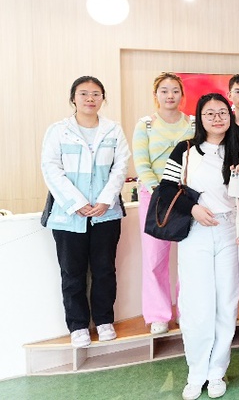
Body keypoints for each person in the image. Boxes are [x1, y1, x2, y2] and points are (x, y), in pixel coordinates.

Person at [161, 93, 239, 400]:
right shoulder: (185, 150)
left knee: (226, 303)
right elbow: (167, 188)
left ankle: (217, 372)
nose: (216, 118)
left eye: (222, 112)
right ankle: (196, 373)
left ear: (230, 116)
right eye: (209, 113)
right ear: (199, 118)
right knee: (197, 305)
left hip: (228, 232)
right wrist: (193, 207)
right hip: (196, 231)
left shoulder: (238, 151)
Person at [41, 76, 130, 348]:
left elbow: (120, 167)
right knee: (72, 273)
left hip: (106, 214)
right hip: (68, 216)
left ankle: (104, 320)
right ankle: (78, 325)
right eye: (83, 93)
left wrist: (105, 200)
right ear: (73, 98)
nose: (90, 98)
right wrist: (76, 202)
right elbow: (51, 168)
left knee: (104, 270)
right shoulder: (58, 131)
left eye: (96, 94)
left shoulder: (113, 130)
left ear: (103, 98)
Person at [133, 72, 195, 335]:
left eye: (175, 91)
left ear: (182, 95)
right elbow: (142, 163)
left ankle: (186, 309)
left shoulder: (192, 123)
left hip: (186, 197)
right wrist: (159, 191)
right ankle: (158, 315)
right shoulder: (145, 125)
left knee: (189, 258)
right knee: (155, 258)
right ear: (155, 95)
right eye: (164, 91)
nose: (170, 96)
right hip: (155, 197)